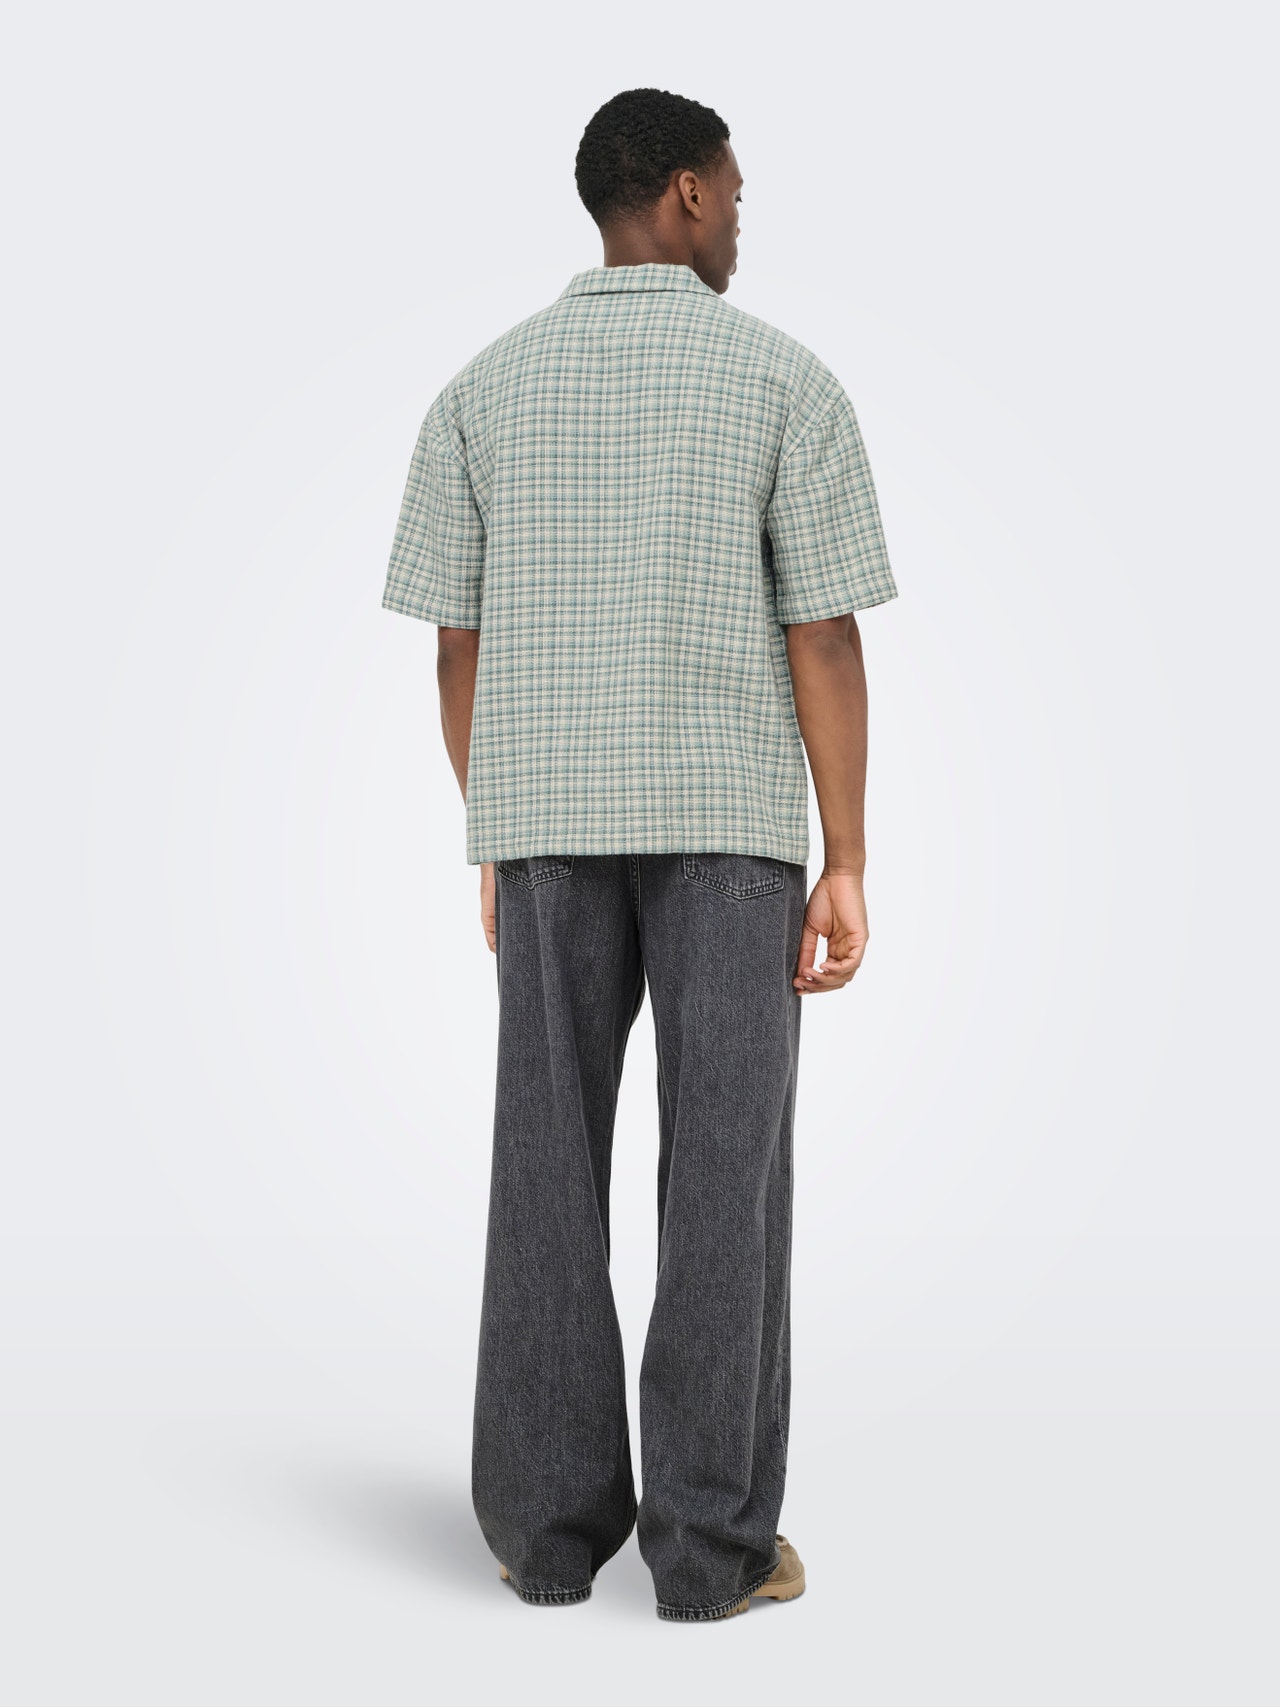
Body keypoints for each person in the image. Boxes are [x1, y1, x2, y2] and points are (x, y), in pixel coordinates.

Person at [382, 86, 899, 1623]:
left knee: (544, 1165)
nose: (739, 217)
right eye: (732, 191)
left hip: (545, 828)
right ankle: (709, 1552)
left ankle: (545, 1536)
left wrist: (498, 819)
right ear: (681, 192)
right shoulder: (783, 379)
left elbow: (456, 645)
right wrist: (847, 852)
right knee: (724, 1176)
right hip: (731, 830)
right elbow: (823, 632)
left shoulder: (482, 390)